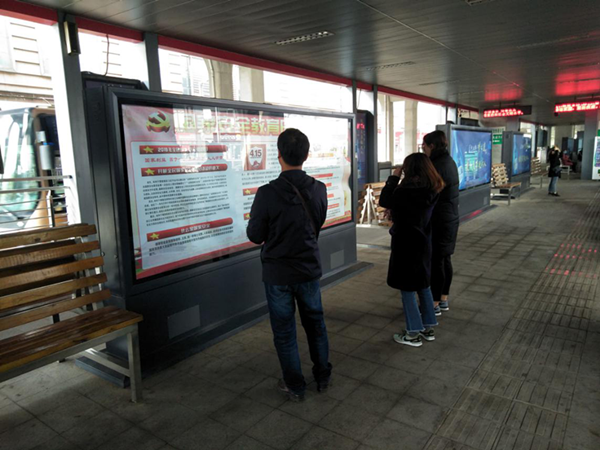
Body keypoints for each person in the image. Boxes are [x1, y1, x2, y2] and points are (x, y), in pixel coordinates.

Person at [247, 128, 331, 401]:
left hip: (278, 275)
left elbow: (255, 235)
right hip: (308, 269)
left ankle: (295, 386)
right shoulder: (319, 189)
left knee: (284, 333)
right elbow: (317, 223)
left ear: (279, 155)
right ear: (306, 155)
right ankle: (323, 377)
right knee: (316, 325)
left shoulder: (266, 193)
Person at [379, 153, 444, 347]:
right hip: (424, 241)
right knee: (423, 284)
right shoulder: (433, 188)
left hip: (405, 243)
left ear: (409, 169)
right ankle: (428, 327)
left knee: (407, 287)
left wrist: (394, 177)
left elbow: (384, 200)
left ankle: (413, 333)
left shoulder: (404, 191)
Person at [422, 131, 460, 315]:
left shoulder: (437, 166)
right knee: (444, 259)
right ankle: (443, 299)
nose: (423, 149)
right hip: (450, 217)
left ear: (432, 146)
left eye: (424, 146)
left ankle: (434, 303)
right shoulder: (449, 161)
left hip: (439, 219)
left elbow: (429, 194)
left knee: (436, 260)